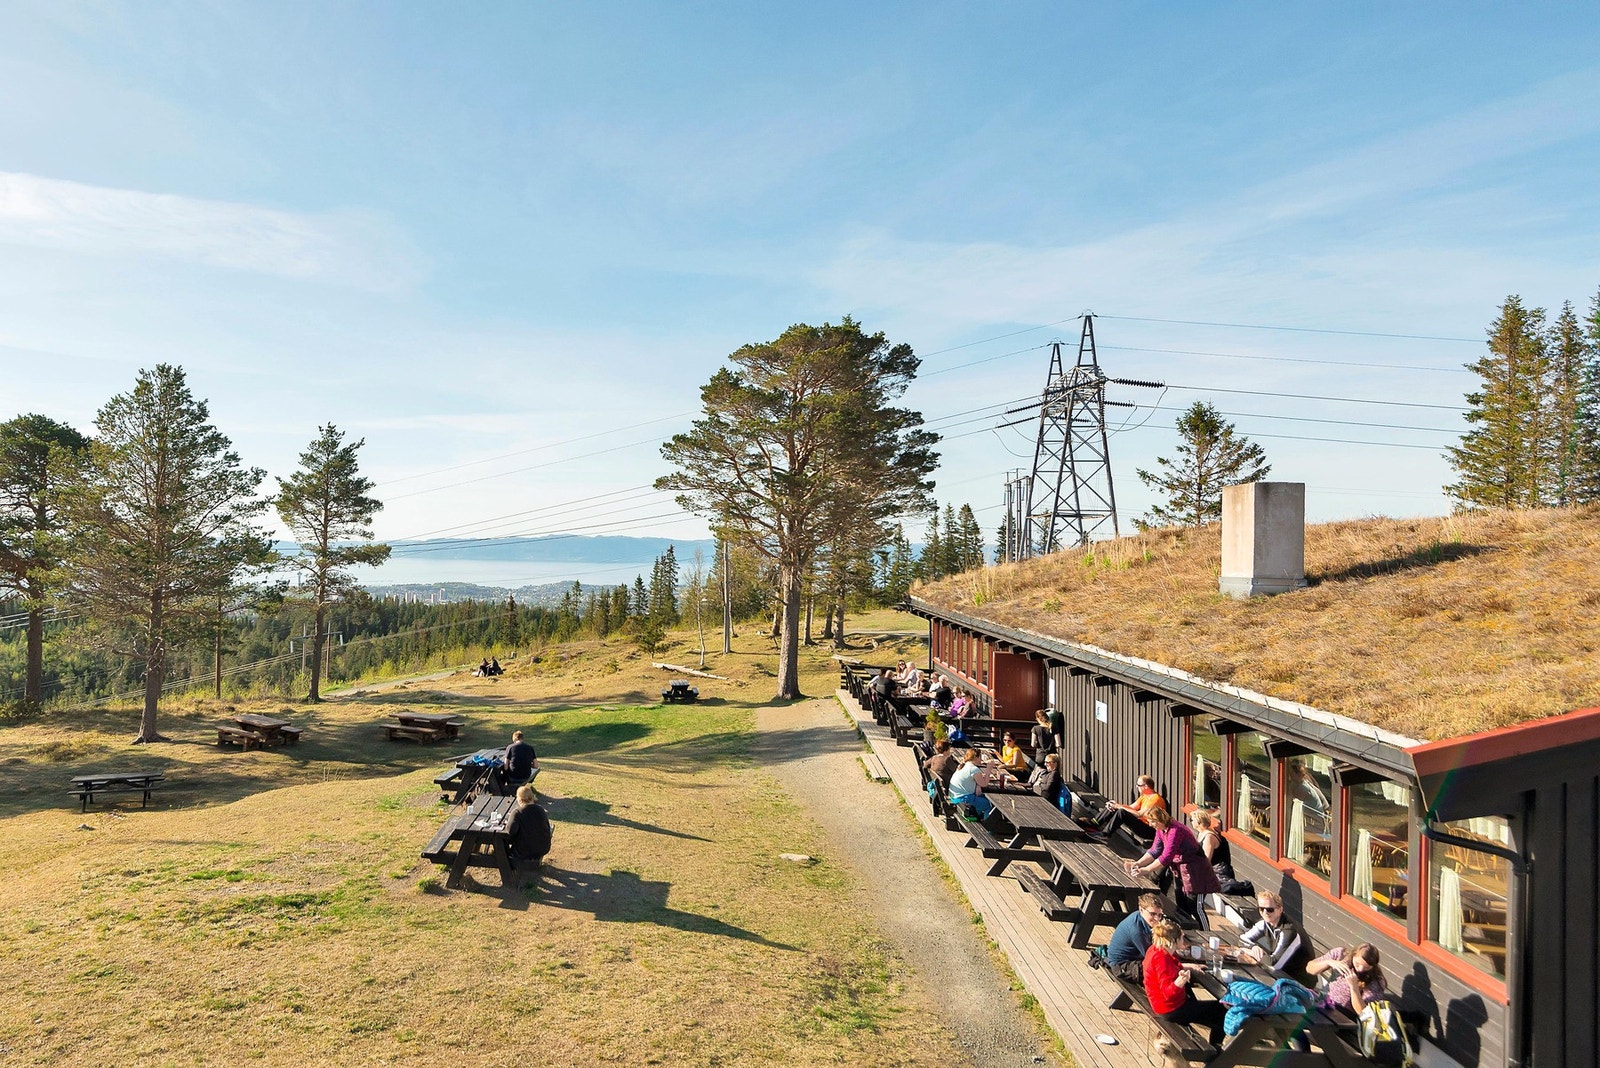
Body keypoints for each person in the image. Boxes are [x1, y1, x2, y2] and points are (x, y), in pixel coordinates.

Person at [1126, 807, 1220, 926]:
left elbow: (1166, 856)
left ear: (1159, 820)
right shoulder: (1161, 830)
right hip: (1180, 869)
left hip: (1196, 871)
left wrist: (1146, 869)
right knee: (1181, 903)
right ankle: (1187, 931)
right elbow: (1155, 850)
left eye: (1152, 821)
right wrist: (1138, 863)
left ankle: (1206, 933)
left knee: (1195, 906)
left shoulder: (1176, 830)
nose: (1150, 825)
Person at [1144, 918, 1227, 1047]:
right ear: (1174, 940)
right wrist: (1179, 982)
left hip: (1162, 1003)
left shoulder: (1156, 949)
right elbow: (1167, 993)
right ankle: (1216, 1051)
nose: (1183, 940)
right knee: (1222, 1010)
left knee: (1211, 1012)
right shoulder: (1162, 960)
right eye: (1182, 937)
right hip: (1170, 1009)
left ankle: (1214, 1039)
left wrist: (1189, 966)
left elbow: (1170, 967)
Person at [1306, 942, 1387, 1015]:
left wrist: (1354, 987)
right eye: (1358, 964)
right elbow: (1309, 969)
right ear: (1354, 954)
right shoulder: (1341, 954)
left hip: (1344, 1015)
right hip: (1323, 1000)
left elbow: (1363, 1012)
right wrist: (1329, 962)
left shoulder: (1376, 980)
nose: (1361, 969)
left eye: (1367, 967)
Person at [1192, 809, 1254, 895]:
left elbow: (1206, 860)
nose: (1191, 822)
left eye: (1192, 820)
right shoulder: (1201, 833)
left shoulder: (1209, 837)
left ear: (1199, 822)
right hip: (1211, 870)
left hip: (1219, 872)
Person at [1239, 891, 1304, 972]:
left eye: (1270, 909)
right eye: (1261, 909)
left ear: (1280, 910)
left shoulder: (1289, 931)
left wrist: (1252, 953)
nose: (1265, 913)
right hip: (1280, 972)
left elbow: (1274, 964)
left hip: (1295, 976)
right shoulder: (1265, 923)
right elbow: (1242, 939)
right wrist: (1253, 947)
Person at [1105, 893, 1165, 980]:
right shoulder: (1136, 930)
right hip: (1122, 966)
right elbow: (1151, 956)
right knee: (1165, 971)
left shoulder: (1140, 916)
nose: (1157, 919)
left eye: (1160, 915)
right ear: (1141, 909)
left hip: (1133, 957)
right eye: (1152, 914)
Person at [1097, 773, 1166, 837]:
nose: (1136, 786)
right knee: (1114, 807)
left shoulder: (1155, 799)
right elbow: (1131, 807)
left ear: (1145, 786)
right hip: (1141, 824)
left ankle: (1104, 834)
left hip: (1150, 829)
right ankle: (1094, 823)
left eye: (1138, 785)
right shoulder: (1145, 796)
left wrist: (1119, 806)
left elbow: (1139, 814)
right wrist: (1114, 805)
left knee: (1122, 812)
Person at [505, 783, 551, 869]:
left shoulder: (517, 812)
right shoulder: (540, 809)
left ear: (519, 799)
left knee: (504, 841)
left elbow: (510, 832)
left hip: (525, 850)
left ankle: (504, 862)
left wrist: (509, 821)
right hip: (543, 847)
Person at [947, 749, 995, 819]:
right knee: (989, 804)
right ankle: (987, 824)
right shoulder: (973, 769)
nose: (981, 759)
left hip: (954, 797)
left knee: (983, 798)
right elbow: (984, 784)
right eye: (980, 757)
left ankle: (978, 815)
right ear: (976, 757)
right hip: (962, 799)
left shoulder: (962, 766)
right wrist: (988, 769)